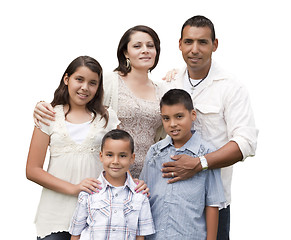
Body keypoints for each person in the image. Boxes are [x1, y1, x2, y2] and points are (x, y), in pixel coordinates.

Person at [161, 15, 258, 239]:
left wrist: (199, 164)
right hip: (171, 199)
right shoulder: (168, 83)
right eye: (188, 42)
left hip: (213, 202)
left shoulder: (231, 87)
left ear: (215, 45)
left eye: (202, 42)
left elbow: (246, 143)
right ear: (179, 44)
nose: (194, 49)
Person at [33, 25, 164, 179]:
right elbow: (79, 101)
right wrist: (43, 105)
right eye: (137, 46)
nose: (145, 50)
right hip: (110, 174)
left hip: (150, 173)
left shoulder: (163, 90)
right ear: (125, 53)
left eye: (150, 46)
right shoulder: (109, 81)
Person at [27, 56, 122, 239]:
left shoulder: (108, 118)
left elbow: (118, 162)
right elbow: (32, 169)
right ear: (66, 79)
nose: (85, 87)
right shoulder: (48, 115)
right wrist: (74, 188)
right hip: (54, 215)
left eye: (92, 83)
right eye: (79, 79)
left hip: (96, 215)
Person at [140, 89, 226, 240]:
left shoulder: (207, 154)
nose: (172, 124)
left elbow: (212, 204)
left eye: (179, 116)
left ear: (193, 115)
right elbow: (143, 196)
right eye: (166, 118)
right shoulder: (154, 153)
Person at [69, 129, 155, 240]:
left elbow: (140, 236)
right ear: (101, 156)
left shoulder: (140, 195)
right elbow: (76, 233)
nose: (115, 161)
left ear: (132, 158)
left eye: (122, 156)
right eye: (109, 155)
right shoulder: (89, 192)